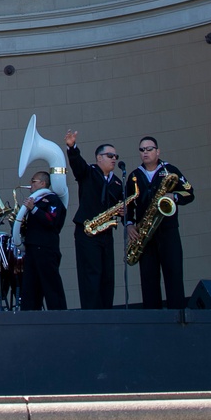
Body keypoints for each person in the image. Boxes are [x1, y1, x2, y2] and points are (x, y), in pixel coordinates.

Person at [126, 136, 195, 310]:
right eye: (142, 150)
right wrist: (129, 224)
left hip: (168, 230)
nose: (145, 153)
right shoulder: (134, 175)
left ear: (158, 151)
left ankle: (178, 315)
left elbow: (190, 192)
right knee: (148, 278)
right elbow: (127, 204)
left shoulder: (170, 170)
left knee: (174, 273)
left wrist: (174, 196)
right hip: (145, 233)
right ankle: (152, 318)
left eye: (149, 149)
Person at [65, 130, 124, 310]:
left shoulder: (118, 183)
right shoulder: (89, 172)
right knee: (91, 274)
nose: (114, 158)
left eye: (116, 156)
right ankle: (91, 314)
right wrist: (72, 147)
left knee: (107, 275)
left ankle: (107, 311)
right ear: (99, 158)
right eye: (110, 155)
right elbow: (77, 164)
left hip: (106, 232)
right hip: (87, 231)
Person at [18, 170, 68, 312]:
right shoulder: (37, 201)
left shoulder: (52, 199)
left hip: (46, 248)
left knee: (51, 286)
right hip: (32, 248)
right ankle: (29, 317)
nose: (30, 185)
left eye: (33, 181)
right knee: (30, 287)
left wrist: (33, 209)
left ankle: (59, 316)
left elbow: (51, 220)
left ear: (42, 183)